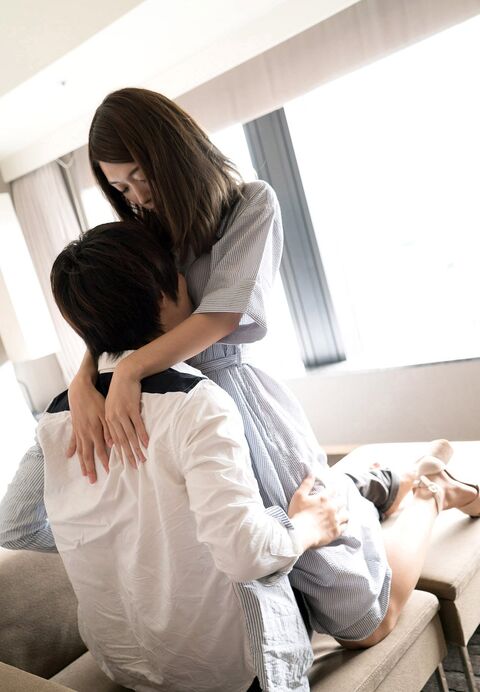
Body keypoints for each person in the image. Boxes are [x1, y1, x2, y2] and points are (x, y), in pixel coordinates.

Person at [67, 88, 478, 642]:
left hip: (239, 406)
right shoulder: (143, 230)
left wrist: (130, 369)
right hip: (179, 413)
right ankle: (382, 481)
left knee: (362, 621)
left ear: (170, 151)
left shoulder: (249, 204)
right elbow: (112, 318)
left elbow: (220, 316)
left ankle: (430, 488)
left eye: (141, 176)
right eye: (120, 187)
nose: (137, 197)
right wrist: (82, 379)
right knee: (263, 553)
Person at [2, 224, 478, 691]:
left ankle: (384, 480)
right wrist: (305, 529)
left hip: (125, 666)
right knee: (368, 602)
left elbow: (15, 526)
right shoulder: (196, 403)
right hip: (232, 670)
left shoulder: (57, 420)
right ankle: (427, 489)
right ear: (165, 296)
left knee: (318, 495)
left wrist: (120, 537)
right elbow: (245, 554)